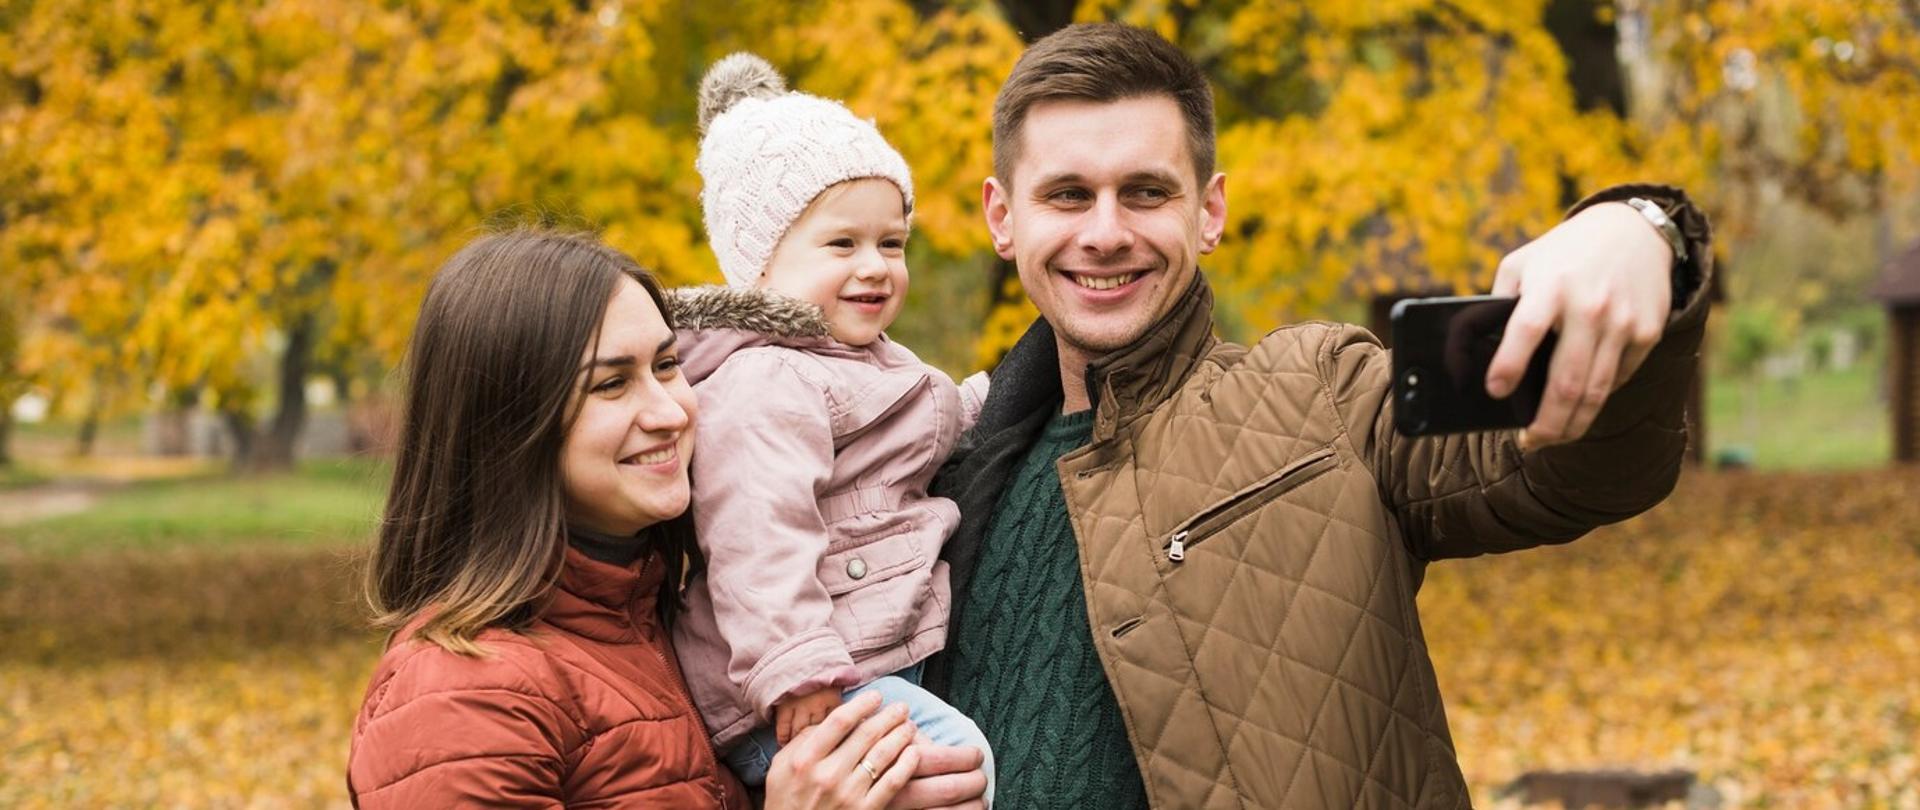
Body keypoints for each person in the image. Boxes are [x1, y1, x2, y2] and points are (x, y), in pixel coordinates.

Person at [923, 23, 1714, 809]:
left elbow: (1576, 471)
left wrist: (1646, 232)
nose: (1105, 232)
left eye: (1146, 192)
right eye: (1068, 195)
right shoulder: (931, 475)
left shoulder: (1325, 396)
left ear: (1209, 210)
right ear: (1003, 217)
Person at [345, 229, 983, 809]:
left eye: (667, 365)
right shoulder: (461, 696)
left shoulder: (672, 631)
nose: (671, 412)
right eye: (611, 385)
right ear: (508, 427)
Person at [665, 54, 995, 802]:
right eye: (842, 245)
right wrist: (797, 672)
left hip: (850, 667)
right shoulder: (765, 380)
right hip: (796, 694)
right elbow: (758, 533)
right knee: (961, 764)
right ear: (761, 264)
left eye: (892, 243)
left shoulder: (862, 360)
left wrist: (997, 395)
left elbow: (933, 419)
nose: (875, 267)